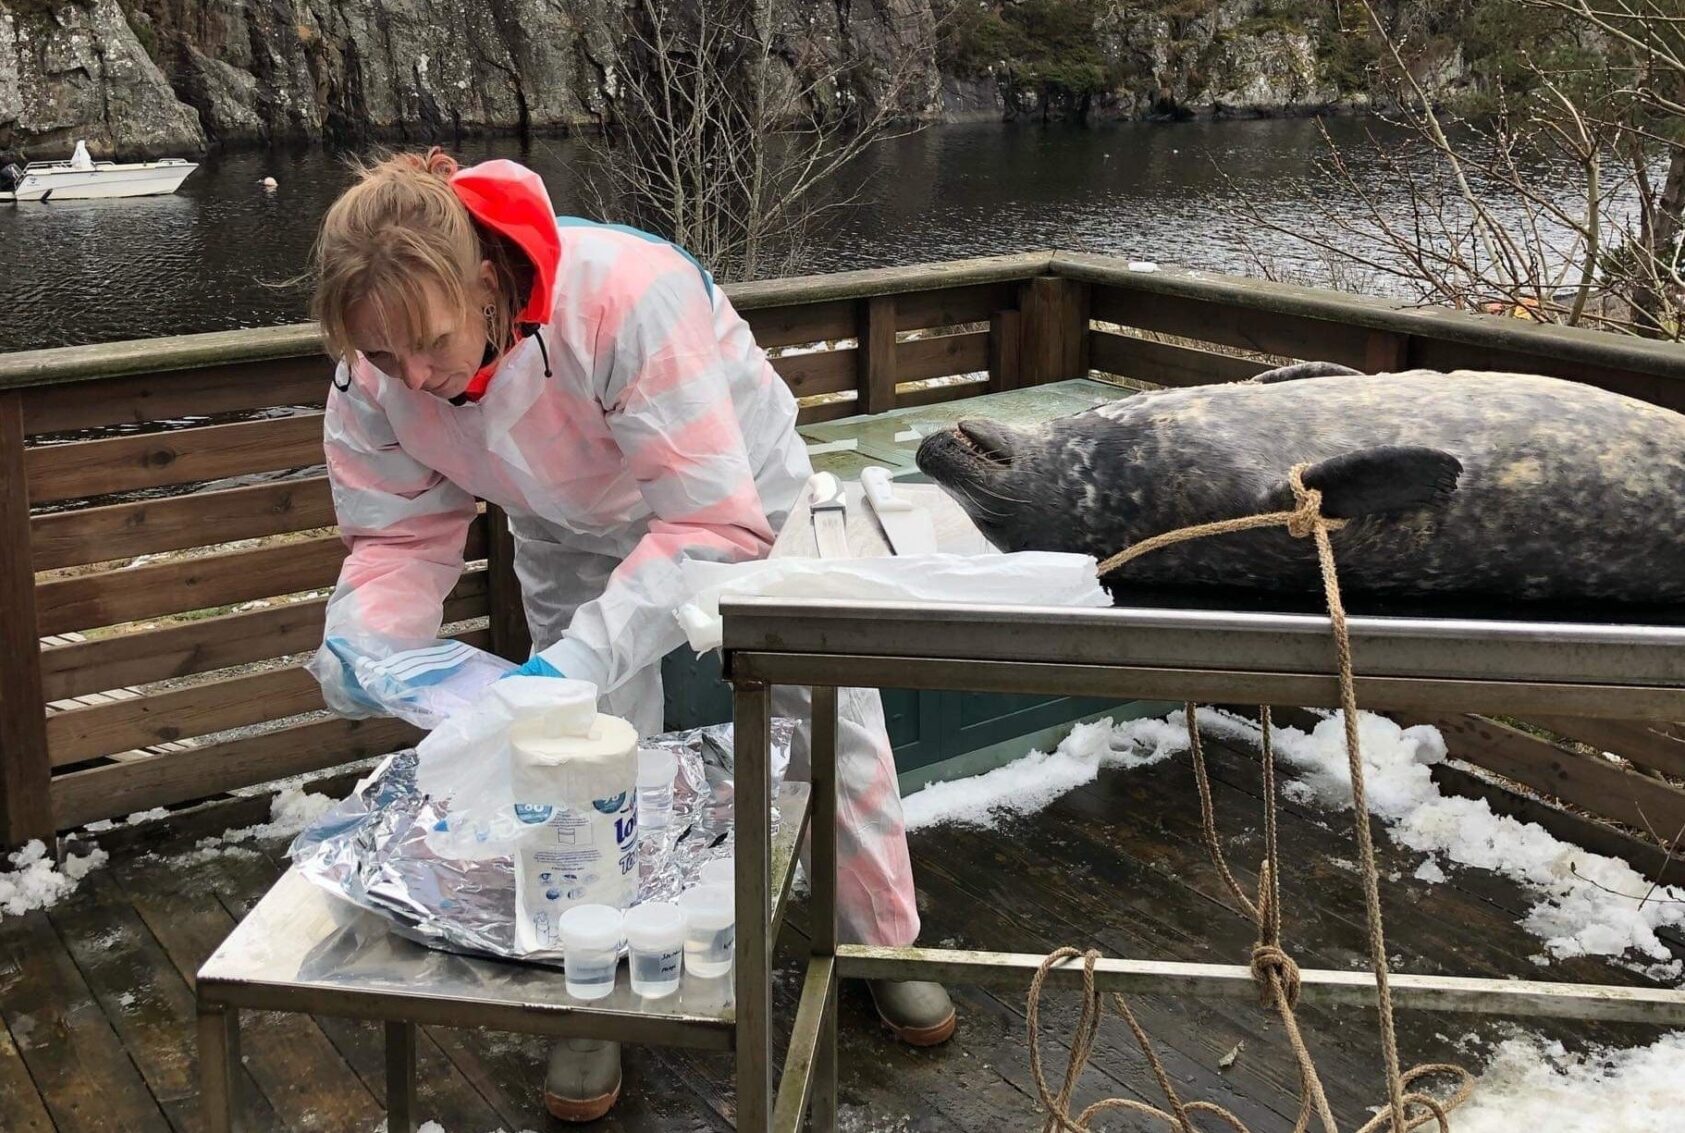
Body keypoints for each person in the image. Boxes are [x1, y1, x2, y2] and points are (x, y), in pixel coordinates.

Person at [302, 148, 955, 1122]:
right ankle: (595, 975)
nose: (415, 376)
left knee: (823, 707)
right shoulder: (375, 378)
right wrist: (372, 641)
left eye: (427, 344)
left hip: (736, 497)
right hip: (565, 521)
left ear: (486, 285)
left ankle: (874, 939)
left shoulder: (625, 297)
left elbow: (708, 523)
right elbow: (396, 532)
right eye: (383, 357)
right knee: (581, 749)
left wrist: (572, 656)